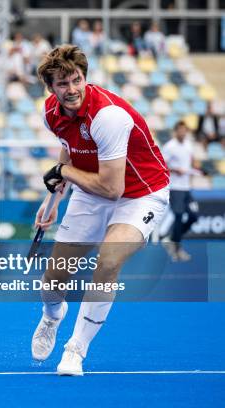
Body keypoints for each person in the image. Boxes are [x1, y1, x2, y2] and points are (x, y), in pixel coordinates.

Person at [31, 45, 170, 376]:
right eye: (62, 84)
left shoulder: (107, 116)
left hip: (140, 194)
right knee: (52, 280)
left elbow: (113, 188)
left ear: (85, 77)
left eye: (77, 80)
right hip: (91, 192)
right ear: (51, 89)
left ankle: (76, 349)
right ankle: (52, 316)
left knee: (108, 260)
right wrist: (52, 201)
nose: (72, 90)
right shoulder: (51, 113)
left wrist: (62, 173)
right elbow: (69, 153)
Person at [161, 121, 198, 261]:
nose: (183, 133)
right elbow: (162, 166)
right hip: (175, 188)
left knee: (194, 217)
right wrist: (176, 170)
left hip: (186, 188)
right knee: (178, 216)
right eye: (180, 130)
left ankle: (171, 238)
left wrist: (195, 166)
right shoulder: (169, 147)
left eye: (185, 130)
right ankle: (177, 249)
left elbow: (191, 160)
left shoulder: (188, 145)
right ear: (176, 131)